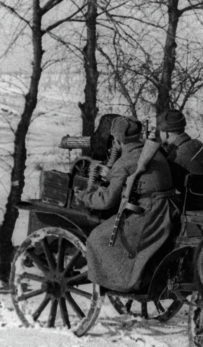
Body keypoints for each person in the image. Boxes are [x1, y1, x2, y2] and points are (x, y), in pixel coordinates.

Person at [76, 116, 179, 293]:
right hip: (166, 209)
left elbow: (106, 201)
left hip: (148, 214)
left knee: (97, 238)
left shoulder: (125, 162)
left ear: (116, 141)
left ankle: (121, 282)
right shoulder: (154, 151)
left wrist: (85, 196)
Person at [156, 109, 203, 201]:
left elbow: (163, 185)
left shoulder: (174, 156)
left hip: (192, 202)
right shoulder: (198, 144)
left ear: (166, 133)